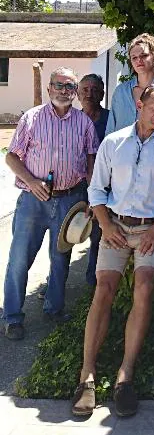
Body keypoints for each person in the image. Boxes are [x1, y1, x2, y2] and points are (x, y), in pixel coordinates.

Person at [71, 84, 154, 418]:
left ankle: (125, 377)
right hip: (116, 227)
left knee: (145, 288)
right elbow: (97, 188)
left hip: (152, 229)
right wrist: (105, 225)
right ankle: (87, 376)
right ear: (140, 104)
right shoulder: (114, 141)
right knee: (103, 290)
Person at [3, 68, 98, 340]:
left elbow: (91, 162)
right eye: (59, 85)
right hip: (34, 201)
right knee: (20, 259)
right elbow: (12, 158)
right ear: (49, 88)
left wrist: (92, 196)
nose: (64, 91)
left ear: (76, 91)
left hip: (70, 198)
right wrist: (32, 181)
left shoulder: (84, 123)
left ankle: (54, 308)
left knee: (60, 259)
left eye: (70, 86)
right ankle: (11, 316)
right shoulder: (31, 119)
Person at [106, 33, 154, 136]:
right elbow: (110, 129)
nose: (139, 61)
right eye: (134, 58)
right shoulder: (120, 91)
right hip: (121, 150)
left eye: (144, 55)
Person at [78, 74, 109, 288]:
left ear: (102, 94)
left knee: (98, 236)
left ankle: (93, 283)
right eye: (85, 89)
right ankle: (54, 283)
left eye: (95, 89)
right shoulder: (71, 119)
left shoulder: (111, 119)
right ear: (78, 93)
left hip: (103, 186)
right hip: (75, 186)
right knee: (68, 234)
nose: (89, 93)